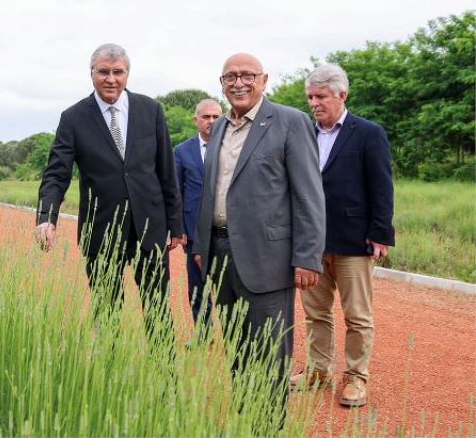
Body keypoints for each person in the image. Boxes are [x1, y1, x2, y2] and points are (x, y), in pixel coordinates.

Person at [191, 52, 325, 416]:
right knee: (237, 347)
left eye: (247, 75)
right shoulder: (218, 127)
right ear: (221, 84)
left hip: (268, 259)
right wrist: (201, 244)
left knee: (268, 353)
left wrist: (307, 256)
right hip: (219, 254)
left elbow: (309, 194)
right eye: (230, 76)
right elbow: (211, 190)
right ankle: (247, 419)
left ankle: (268, 424)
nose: (239, 82)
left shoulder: (289, 121)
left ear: (264, 80)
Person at [36, 43, 183, 338]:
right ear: (91, 73)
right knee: (107, 311)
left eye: (118, 72)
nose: (111, 79)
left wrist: (176, 223)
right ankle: (112, 375)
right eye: (104, 72)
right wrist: (46, 216)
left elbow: (166, 169)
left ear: (127, 74)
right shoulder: (73, 117)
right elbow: (57, 172)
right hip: (101, 229)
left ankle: (166, 381)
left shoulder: (150, 110)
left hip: (149, 228)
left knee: (158, 311)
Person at [290, 64, 394, 408]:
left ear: (341, 95)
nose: (314, 103)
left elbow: (382, 187)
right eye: (310, 97)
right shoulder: (303, 132)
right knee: (316, 313)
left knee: (357, 316)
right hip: (311, 243)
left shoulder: (368, 133)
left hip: (353, 242)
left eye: (320, 96)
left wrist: (380, 234)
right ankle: (319, 371)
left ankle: (356, 378)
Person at [174, 99, 222, 325]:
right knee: (198, 284)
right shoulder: (182, 151)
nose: (211, 121)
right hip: (193, 231)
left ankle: (235, 337)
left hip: (227, 229)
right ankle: (203, 333)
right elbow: (176, 193)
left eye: (216, 117)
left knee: (227, 283)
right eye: (206, 117)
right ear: (196, 120)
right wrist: (179, 228)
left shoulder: (232, 147)